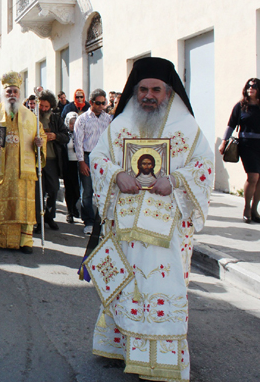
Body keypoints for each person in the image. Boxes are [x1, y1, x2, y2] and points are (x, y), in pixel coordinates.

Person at [88, 57, 213, 382]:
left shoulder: (185, 126)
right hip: (126, 230)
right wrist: (116, 175)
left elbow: (204, 165)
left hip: (167, 232)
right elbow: (98, 156)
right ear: (135, 90)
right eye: (142, 89)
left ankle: (163, 361)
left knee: (161, 286)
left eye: (156, 89)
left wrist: (176, 181)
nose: (148, 95)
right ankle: (121, 349)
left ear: (169, 92)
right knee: (126, 288)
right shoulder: (122, 123)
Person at [0, 72, 46, 254]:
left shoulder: (31, 117)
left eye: (15, 91)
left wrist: (40, 143)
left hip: (23, 172)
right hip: (1, 171)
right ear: (3, 93)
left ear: (19, 93)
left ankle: (25, 241)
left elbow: (42, 136)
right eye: (8, 91)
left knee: (23, 205)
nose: (12, 94)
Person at [219, 78, 260, 223]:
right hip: (247, 144)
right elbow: (231, 125)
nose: (250, 89)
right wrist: (223, 142)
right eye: (248, 86)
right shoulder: (240, 106)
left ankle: (254, 210)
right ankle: (246, 209)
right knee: (252, 177)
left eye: (254, 86)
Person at [74, 88, 112, 235]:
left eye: (103, 103)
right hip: (88, 156)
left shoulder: (108, 119)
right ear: (91, 102)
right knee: (87, 191)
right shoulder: (82, 119)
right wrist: (81, 162)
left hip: (103, 157)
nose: (101, 106)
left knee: (103, 190)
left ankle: (102, 220)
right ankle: (89, 221)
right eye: (98, 103)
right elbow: (78, 141)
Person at [35, 89, 69, 232]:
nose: (43, 109)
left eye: (46, 107)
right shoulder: (33, 117)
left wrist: (54, 136)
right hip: (36, 160)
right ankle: (38, 219)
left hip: (52, 160)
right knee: (38, 192)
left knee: (54, 189)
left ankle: (49, 216)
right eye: (41, 106)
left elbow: (66, 136)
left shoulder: (56, 118)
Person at [60, 112, 81, 223]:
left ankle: (74, 207)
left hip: (78, 163)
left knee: (77, 189)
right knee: (69, 189)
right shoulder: (65, 134)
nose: (73, 125)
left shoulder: (81, 133)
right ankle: (70, 211)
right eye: (71, 123)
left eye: (75, 123)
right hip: (68, 164)